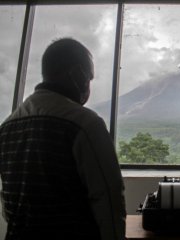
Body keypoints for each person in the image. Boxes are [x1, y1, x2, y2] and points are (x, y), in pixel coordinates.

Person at [0, 38, 126, 240]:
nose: (89, 86)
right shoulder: (85, 124)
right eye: (90, 78)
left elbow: (8, 205)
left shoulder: (7, 128)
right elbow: (109, 199)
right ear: (78, 74)